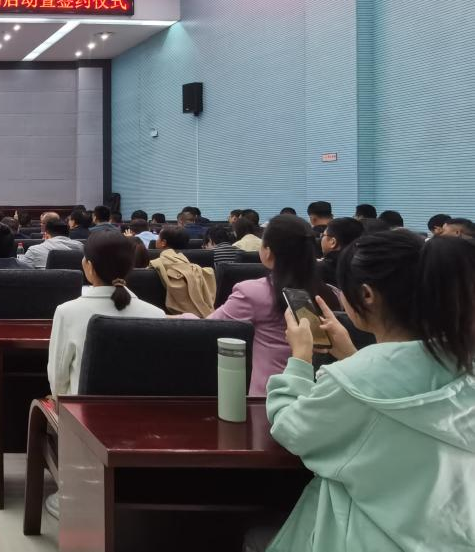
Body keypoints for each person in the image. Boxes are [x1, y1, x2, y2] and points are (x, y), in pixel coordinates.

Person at [259, 232, 475, 552]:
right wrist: (352, 356)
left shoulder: (351, 384)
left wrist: (300, 359)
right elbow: (395, 391)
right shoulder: (463, 361)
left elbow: (292, 429)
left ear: (366, 294)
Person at [177, 215, 335, 395]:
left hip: (271, 397)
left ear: (268, 251)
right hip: (321, 395)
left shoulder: (252, 293)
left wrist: (179, 317)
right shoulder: (331, 293)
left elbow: (208, 329)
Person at [47, 231, 165, 397]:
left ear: (89, 266)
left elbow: (58, 380)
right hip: (141, 412)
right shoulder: (157, 315)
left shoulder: (67, 312)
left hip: (80, 411)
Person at [149, 226, 216, 315]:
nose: (156, 240)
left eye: (158, 238)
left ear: (163, 243)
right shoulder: (198, 262)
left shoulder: (155, 263)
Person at [18, 219, 83, 268]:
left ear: (46, 234)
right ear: (68, 233)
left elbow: (22, 273)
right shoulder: (81, 247)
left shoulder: (34, 250)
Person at [318, 217, 364, 285]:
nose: (321, 239)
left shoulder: (316, 270)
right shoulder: (363, 267)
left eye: (323, 235)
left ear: (333, 242)